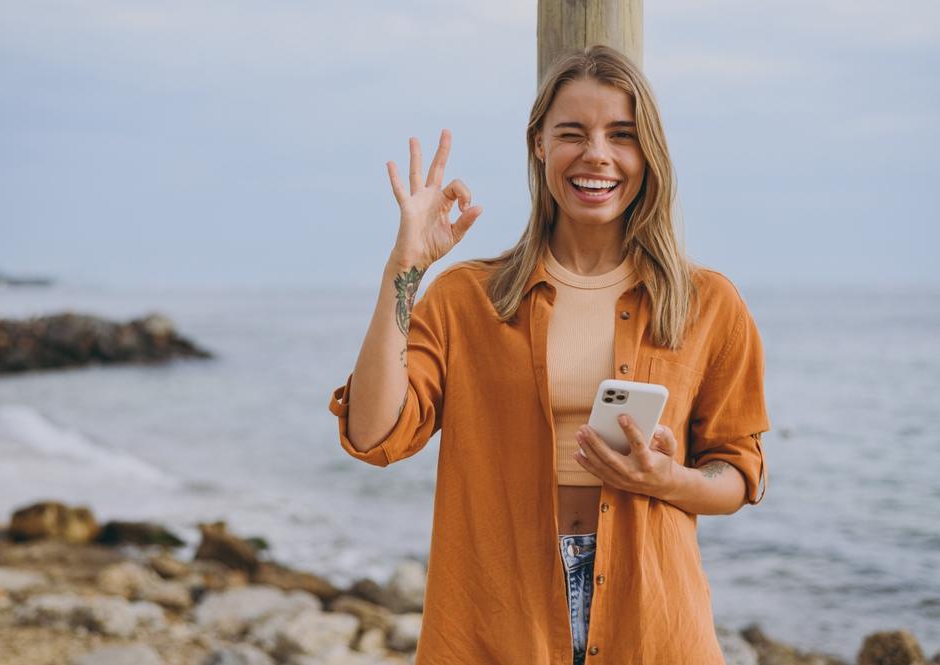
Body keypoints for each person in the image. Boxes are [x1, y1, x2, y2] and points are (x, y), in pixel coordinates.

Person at [328, 45, 770, 665]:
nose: (597, 154)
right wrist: (405, 270)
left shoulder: (709, 304)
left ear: (649, 152)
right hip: (498, 612)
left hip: (652, 618)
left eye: (622, 134)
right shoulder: (466, 299)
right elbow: (374, 433)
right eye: (572, 133)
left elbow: (737, 473)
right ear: (539, 144)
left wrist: (671, 479)